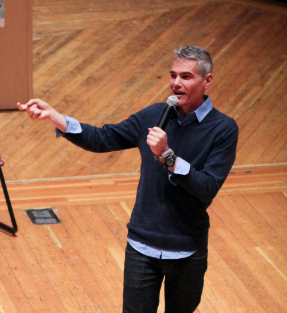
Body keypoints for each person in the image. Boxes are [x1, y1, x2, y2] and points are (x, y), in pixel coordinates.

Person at [18, 46, 238, 313]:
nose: (176, 83)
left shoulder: (223, 129)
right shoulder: (155, 116)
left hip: (186, 249)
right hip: (141, 247)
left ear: (208, 80)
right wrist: (56, 117)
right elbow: (102, 138)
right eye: (172, 75)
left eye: (186, 77)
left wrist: (168, 156)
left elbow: (207, 188)